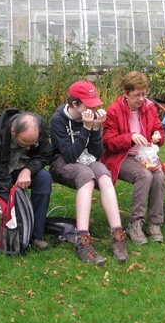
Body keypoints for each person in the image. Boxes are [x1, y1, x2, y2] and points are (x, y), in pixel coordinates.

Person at [49, 81, 128, 265]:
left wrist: (96, 129)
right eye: (88, 104)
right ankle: (82, 239)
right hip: (62, 162)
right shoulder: (57, 120)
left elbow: (97, 154)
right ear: (75, 104)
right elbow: (69, 155)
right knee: (87, 177)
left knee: (103, 174)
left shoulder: (91, 117)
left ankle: (117, 233)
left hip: (86, 159)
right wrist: (85, 128)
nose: (93, 108)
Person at [0, 110, 53, 250]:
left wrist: (28, 170)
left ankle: (35, 235)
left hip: (23, 166)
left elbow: (45, 155)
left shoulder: (39, 128)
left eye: (32, 143)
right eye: (24, 143)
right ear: (13, 131)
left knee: (44, 178)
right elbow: (0, 176)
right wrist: (12, 209)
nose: (28, 148)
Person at [102, 71, 165, 245]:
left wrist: (157, 136)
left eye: (144, 94)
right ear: (126, 94)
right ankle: (135, 223)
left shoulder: (149, 107)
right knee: (144, 176)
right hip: (122, 157)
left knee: (159, 176)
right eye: (137, 95)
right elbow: (108, 143)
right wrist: (129, 138)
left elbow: (158, 129)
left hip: (145, 155)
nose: (141, 99)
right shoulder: (114, 111)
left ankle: (155, 222)